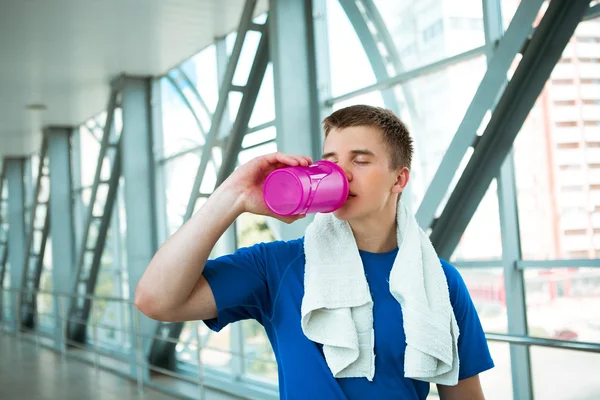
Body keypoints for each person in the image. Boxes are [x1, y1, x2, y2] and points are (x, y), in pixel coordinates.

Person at [135, 105, 494, 399]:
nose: (342, 173)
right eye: (333, 160)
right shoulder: (277, 267)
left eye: (361, 160)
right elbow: (155, 300)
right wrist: (233, 197)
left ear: (399, 179)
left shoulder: (439, 280)